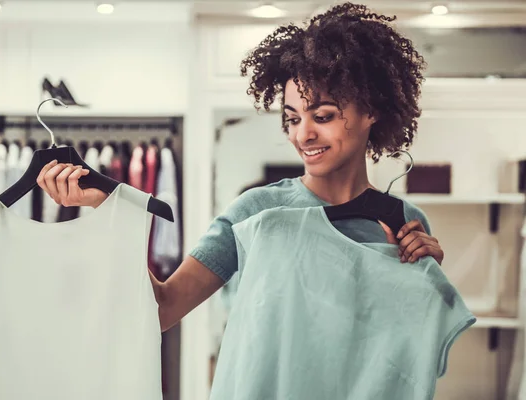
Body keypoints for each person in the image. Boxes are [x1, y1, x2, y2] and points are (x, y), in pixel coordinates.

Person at [35, 2, 448, 397]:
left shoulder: (403, 221)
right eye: (291, 118)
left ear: (371, 110)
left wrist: (426, 281)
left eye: (322, 116)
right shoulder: (256, 213)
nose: (303, 135)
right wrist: (108, 214)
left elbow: (410, 359)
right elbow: (163, 308)